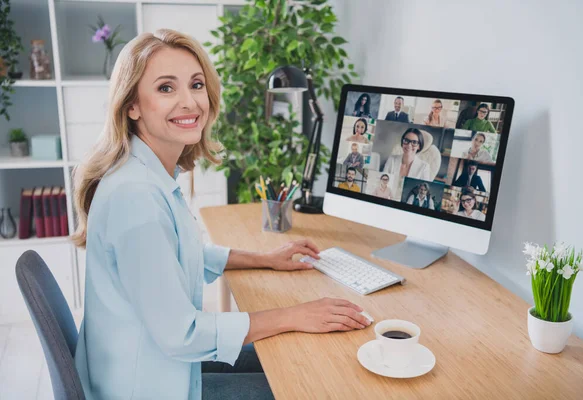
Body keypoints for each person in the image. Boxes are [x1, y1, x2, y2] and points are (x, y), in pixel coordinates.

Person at [71, 29, 371, 400]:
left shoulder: (144, 173)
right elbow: (183, 335)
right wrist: (295, 314)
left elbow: (175, 254)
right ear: (131, 105)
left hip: (146, 363)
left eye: (196, 85)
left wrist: (264, 259)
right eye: (166, 88)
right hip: (148, 384)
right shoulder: (136, 197)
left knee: (290, 354)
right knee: (307, 381)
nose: (190, 102)